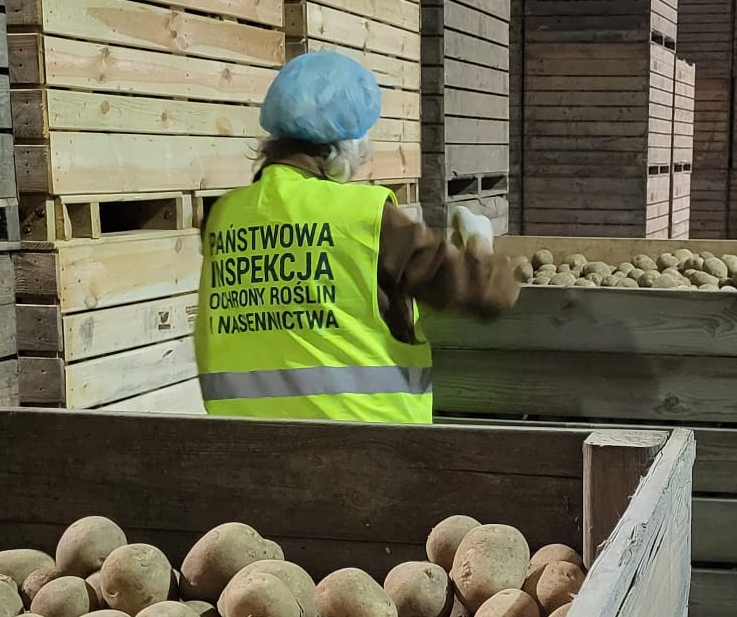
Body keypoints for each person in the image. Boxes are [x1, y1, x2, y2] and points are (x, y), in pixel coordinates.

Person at [195, 52, 516, 422]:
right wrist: (479, 239)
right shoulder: (365, 215)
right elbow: (490, 291)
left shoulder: (222, 216)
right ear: (342, 144)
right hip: (365, 444)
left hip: (243, 445)